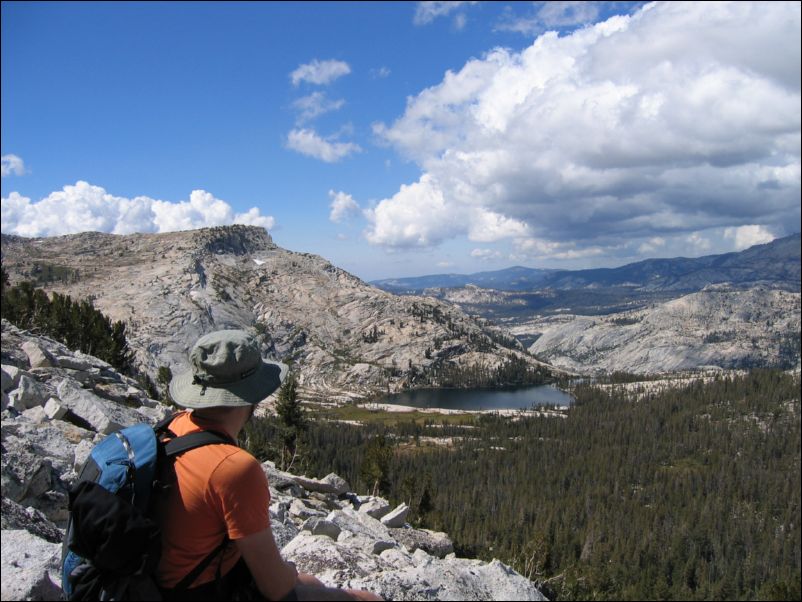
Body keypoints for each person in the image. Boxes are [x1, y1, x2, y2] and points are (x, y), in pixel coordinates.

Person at [157, 329, 381, 601]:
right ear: (251, 396)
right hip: (200, 591)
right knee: (367, 599)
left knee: (311, 581)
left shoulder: (174, 425)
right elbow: (276, 588)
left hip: (163, 579)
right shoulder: (234, 468)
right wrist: (290, 573)